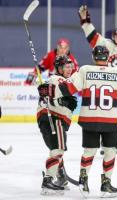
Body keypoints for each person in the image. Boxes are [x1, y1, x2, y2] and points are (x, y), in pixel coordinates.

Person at [39, 45, 117, 198]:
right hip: (110, 120)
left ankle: (83, 180)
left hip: (89, 119)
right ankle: (106, 184)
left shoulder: (85, 70)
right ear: (108, 57)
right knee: (110, 151)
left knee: (89, 151)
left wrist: (48, 91)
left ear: (94, 57)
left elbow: (67, 88)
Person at [37, 55, 77, 195]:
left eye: (70, 66)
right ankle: (48, 180)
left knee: (56, 149)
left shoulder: (54, 79)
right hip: (55, 118)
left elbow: (47, 91)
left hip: (46, 119)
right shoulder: (58, 79)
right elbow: (50, 90)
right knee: (58, 149)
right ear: (59, 68)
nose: (69, 69)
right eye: (66, 66)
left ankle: (60, 177)